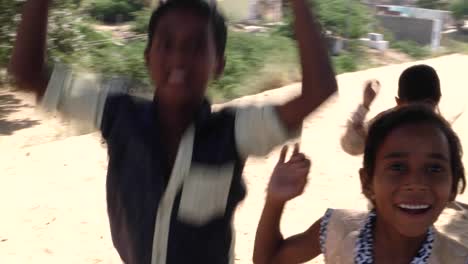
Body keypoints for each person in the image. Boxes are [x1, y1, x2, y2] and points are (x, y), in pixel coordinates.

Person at [8, 0, 337, 263]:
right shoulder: (117, 114)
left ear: (218, 64)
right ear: (148, 56)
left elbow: (318, 90)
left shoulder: (235, 131)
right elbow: (26, 74)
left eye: (196, 47)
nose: (179, 57)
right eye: (166, 44)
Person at [254, 105, 468, 264]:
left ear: (453, 186)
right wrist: (275, 200)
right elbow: (269, 259)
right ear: (367, 182)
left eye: (434, 169)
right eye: (397, 167)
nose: (416, 183)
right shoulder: (338, 227)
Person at [341, 64, 465, 156]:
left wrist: (365, 105)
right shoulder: (445, 133)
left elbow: (352, 147)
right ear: (438, 99)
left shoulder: (385, 125)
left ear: (399, 103)